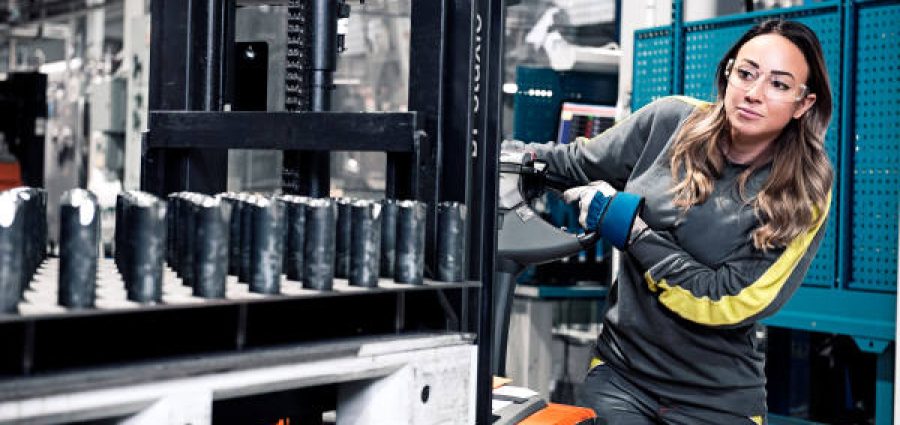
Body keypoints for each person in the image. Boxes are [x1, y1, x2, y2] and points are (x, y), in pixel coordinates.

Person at [520, 19, 833, 424]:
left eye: (778, 84)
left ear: (803, 104)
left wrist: (634, 232)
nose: (753, 93)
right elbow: (572, 164)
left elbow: (726, 299)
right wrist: (498, 160)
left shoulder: (802, 192)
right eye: (746, 73)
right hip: (623, 379)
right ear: (728, 72)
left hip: (717, 398)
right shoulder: (670, 123)